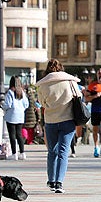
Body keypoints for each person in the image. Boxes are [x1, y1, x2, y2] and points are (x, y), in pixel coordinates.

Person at [36, 58, 81, 193]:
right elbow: (78, 97)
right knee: (63, 152)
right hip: (68, 120)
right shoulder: (70, 81)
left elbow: (42, 103)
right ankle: (59, 182)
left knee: (52, 151)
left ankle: (51, 180)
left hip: (50, 121)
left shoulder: (43, 85)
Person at [84, 68, 101, 158]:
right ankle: (96, 147)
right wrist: (95, 96)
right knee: (95, 129)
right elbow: (86, 99)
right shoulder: (92, 85)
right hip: (95, 110)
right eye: (99, 73)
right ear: (97, 75)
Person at [3, 76, 30, 160]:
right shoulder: (22, 92)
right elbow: (26, 104)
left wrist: (3, 107)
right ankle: (22, 153)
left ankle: (14, 153)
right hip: (20, 115)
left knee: (12, 135)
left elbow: (8, 104)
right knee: (19, 135)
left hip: (11, 115)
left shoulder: (10, 92)